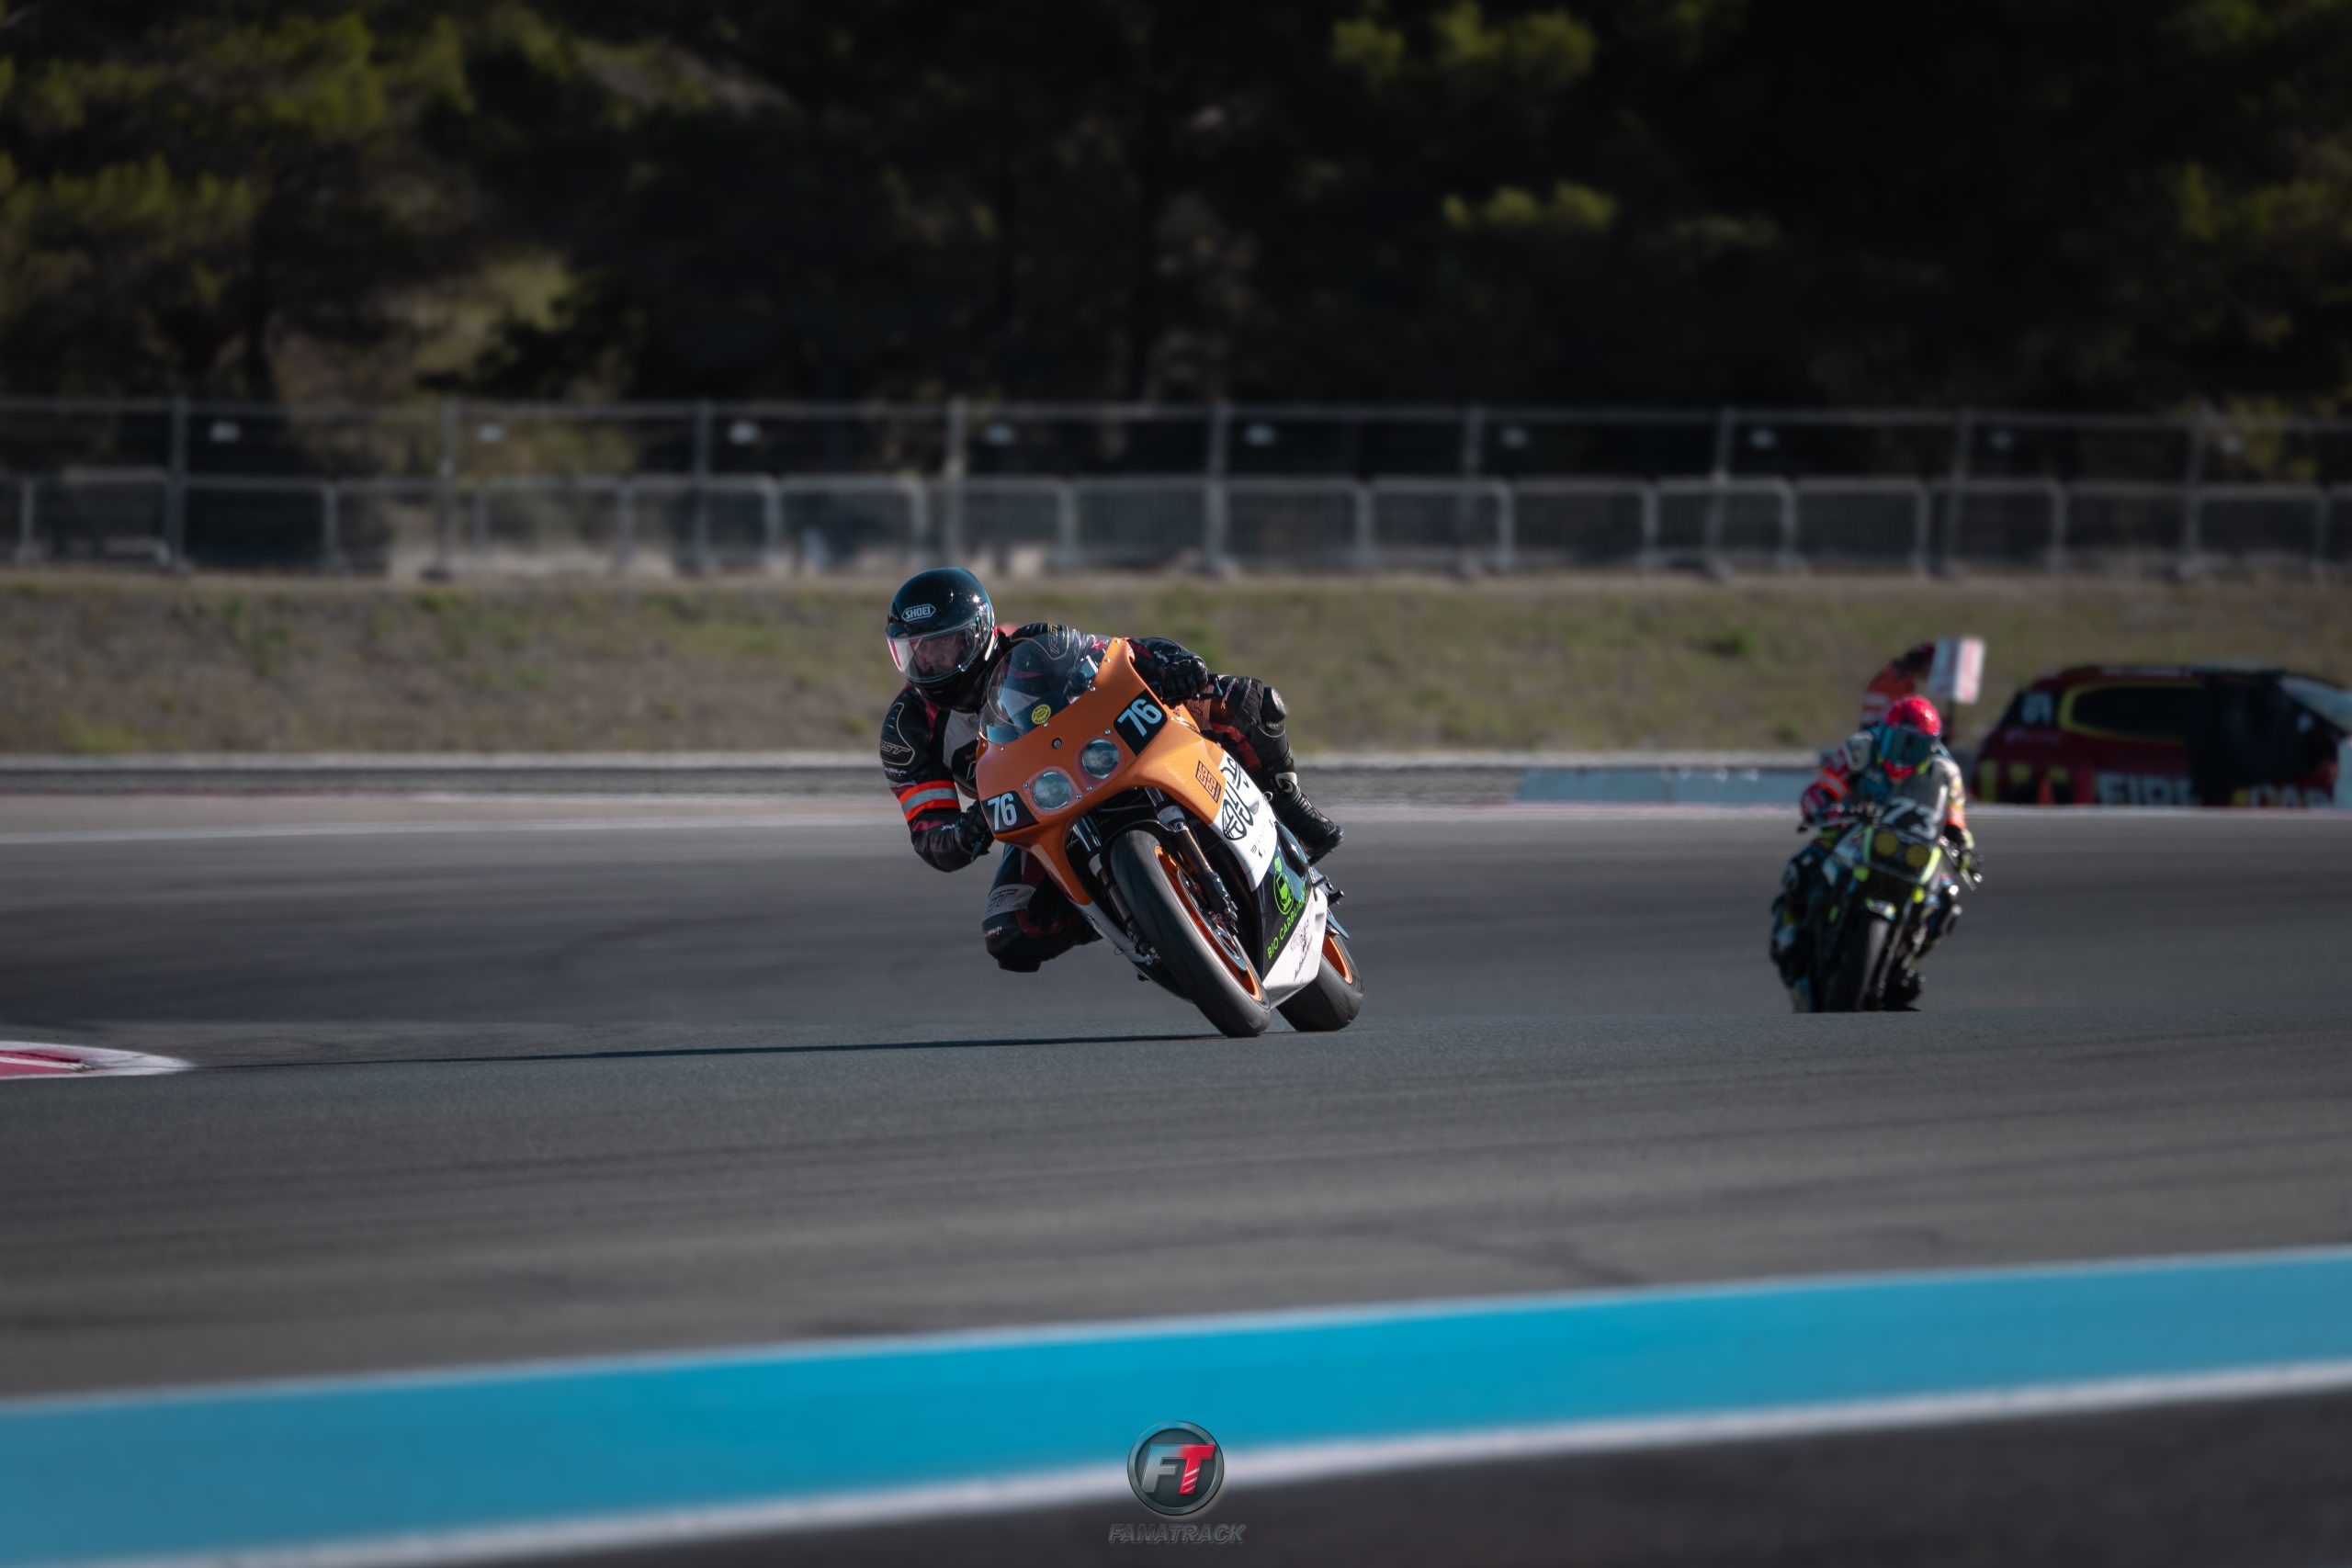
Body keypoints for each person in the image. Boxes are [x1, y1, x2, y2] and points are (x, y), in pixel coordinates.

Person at [878, 567, 1343, 972]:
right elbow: (929, 831)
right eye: (915, 651)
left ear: (976, 633)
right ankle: (1131, 913)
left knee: (1243, 700)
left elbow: (1122, 655)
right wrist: (965, 831)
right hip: (1043, 808)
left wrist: (1173, 665)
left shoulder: (1033, 644)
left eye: (941, 646)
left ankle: (1290, 807)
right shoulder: (906, 731)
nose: (928, 662)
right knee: (1010, 932)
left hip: (1112, 749)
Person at [1771, 694, 1978, 1009]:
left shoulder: (1946, 772)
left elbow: (1956, 822)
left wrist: (1963, 849)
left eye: (1916, 746)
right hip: (1854, 829)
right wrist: (1824, 807)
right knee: (1802, 868)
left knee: (1947, 901)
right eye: (1899, 742)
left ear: (1932, 747)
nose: (1905, 753)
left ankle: (1904, 963)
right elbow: (1824, 787)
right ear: (1884, 733)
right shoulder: (1861, 749)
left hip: (1915, 847)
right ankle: (1790, 937)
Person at [1859, 642, 1939, 728]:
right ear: (1924, 663)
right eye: (1931, 665)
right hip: (1878, 728)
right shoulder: (1903, 679)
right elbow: (1905, 711)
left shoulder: (1895, 671)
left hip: (1872, 725)